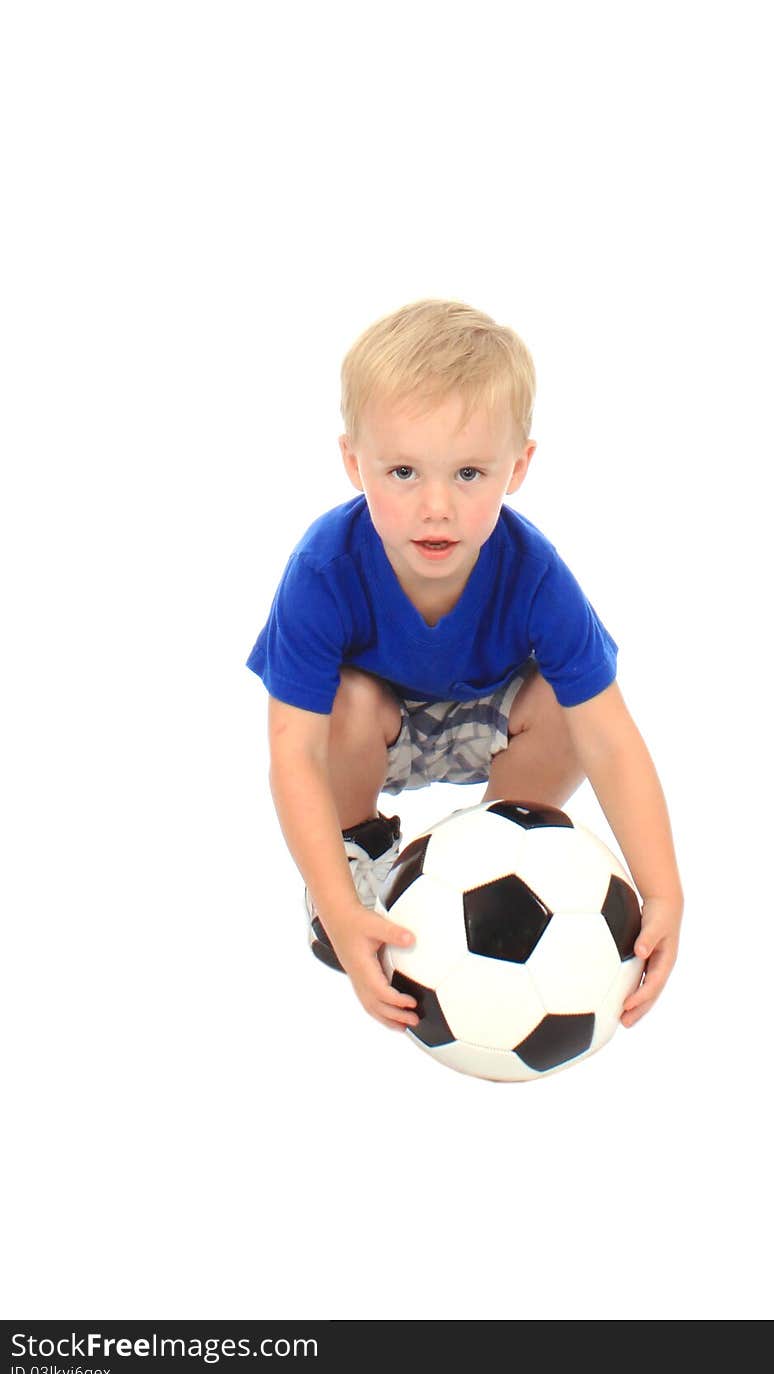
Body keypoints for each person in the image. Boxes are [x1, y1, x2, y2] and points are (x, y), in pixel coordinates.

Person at [246, 299, 684, 1035]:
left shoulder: (536, 575)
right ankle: (361, 852)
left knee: (570, 706)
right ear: (354, 463)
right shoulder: (324, 569)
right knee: (345, 703)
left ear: (519, 468)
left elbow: (611, 737)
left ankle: (496, 836)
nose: (437, 507)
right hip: (375, 730)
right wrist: (334, 901)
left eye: (471, 473)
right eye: (404, 472)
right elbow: (292, 751)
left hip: (491, 718)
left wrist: (663, 889)